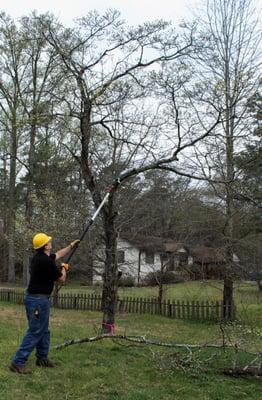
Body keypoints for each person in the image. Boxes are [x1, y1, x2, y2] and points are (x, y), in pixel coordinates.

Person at [9, 232, 80, 374]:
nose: (50, 242)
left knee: (44, 330)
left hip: (36, 299)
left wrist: (71, 246)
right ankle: (17, 362)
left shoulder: (40, 257)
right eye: (48, 241)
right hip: (38, 301)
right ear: (45, 246)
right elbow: (61, 280)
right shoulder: (45, 262)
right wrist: (64, 269)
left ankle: (42, 358)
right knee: (36, 331)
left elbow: (58, 254)